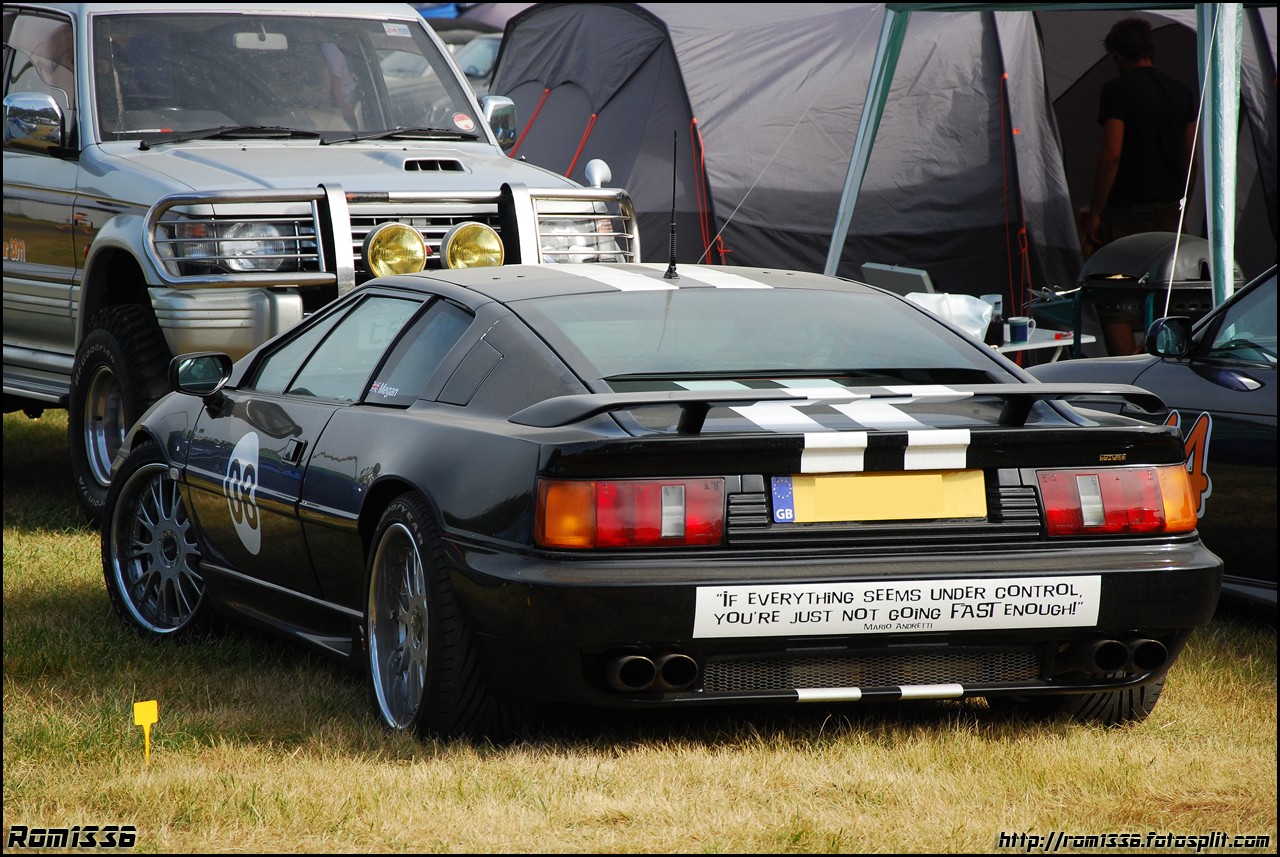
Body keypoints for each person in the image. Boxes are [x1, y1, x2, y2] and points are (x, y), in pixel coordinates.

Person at [1083, 18, 1197, 355]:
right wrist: (1183, 205)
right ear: (1151, 48)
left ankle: (1125, 371)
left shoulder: (1117, 90)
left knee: (1115, 304)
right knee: (1164, 297)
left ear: (1118, 55)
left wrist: (1096, 212)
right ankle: (1160, 362)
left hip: (1126, 214)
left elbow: (1112, 155)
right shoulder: (1181, 92)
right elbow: (1191, 157)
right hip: (1169, 213)